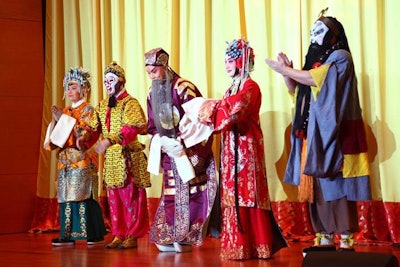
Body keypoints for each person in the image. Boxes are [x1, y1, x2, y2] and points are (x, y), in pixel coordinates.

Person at [265, 9, 371, 254]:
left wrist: (286, 71)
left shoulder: (341, 56)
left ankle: (345, 239)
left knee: (335, 185)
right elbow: (298, 92)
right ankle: (322, 238)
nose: (314, 36)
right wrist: (288, 71)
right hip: (311, 133)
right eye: (312, 31)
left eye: (320, 31)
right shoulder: (315, 61)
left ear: (333, 36)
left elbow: (317, 80)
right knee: (316, 187)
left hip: (333, 134)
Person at [188, 39, 287, 260]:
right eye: (225, 61)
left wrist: (212, 107)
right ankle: (238, 245)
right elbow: (227, 108)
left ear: (242, 61)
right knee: (232, 194)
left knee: (248, 195)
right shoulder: (230, 88)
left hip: (247, 148)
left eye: (231, 60)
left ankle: (257, 245)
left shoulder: (250, 86)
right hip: (230, 150)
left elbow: (236, 109)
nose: (227, 65)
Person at [144, 48, 218, 253]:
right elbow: (152, 125)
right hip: (169, 149)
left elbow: (201, 120)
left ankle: (186, 236)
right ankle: (171, 233)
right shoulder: (152, 92)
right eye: (148, 73)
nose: (151, 76)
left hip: (189, 149)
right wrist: (160, 141)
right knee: (171, 192)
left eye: (154, 72)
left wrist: (186, 146)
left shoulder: (184, 88)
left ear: (164, 66)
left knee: (191, 191)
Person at [76, 61, 151, 249]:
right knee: (114, 199)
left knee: (131, 198)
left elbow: (132, 127)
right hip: (111, 160)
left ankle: (132, 235)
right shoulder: (102, 105)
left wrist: (110, 140)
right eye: (105, 81)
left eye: (111, 80)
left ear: (121, 81)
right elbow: (93, 128)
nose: (107, 84)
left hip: (128, 158)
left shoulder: (130, 103)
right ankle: (119, 233)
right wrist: (84, 138)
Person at [48, 67, 107, 246]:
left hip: (81, 160)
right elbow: (56, 137)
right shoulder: (65, 110)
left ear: (83, 88)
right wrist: (58, 120)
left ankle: (92, 233)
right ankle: (67, 234)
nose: (69, 91)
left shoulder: (88, 109)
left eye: (73, 87)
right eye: (67, 88)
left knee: (82, 195)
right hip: (65, 160)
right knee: (65, 197)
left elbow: (86, 132)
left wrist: (63, 120)